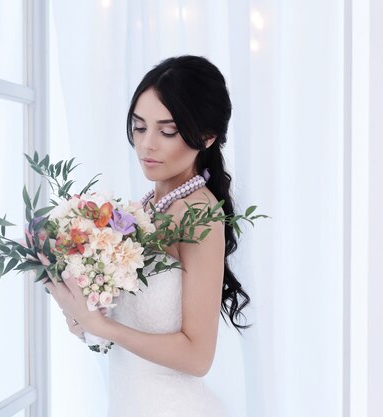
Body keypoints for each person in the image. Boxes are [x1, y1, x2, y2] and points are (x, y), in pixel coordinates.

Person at [45, 55, 251, 417]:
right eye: (139, 127)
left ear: (207, 136)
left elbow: (198, 356)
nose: (146, 145)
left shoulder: (199, 214)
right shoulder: (143, 210)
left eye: (167, 131)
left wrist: (102, 325)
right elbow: (116, 331)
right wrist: (79, 312)